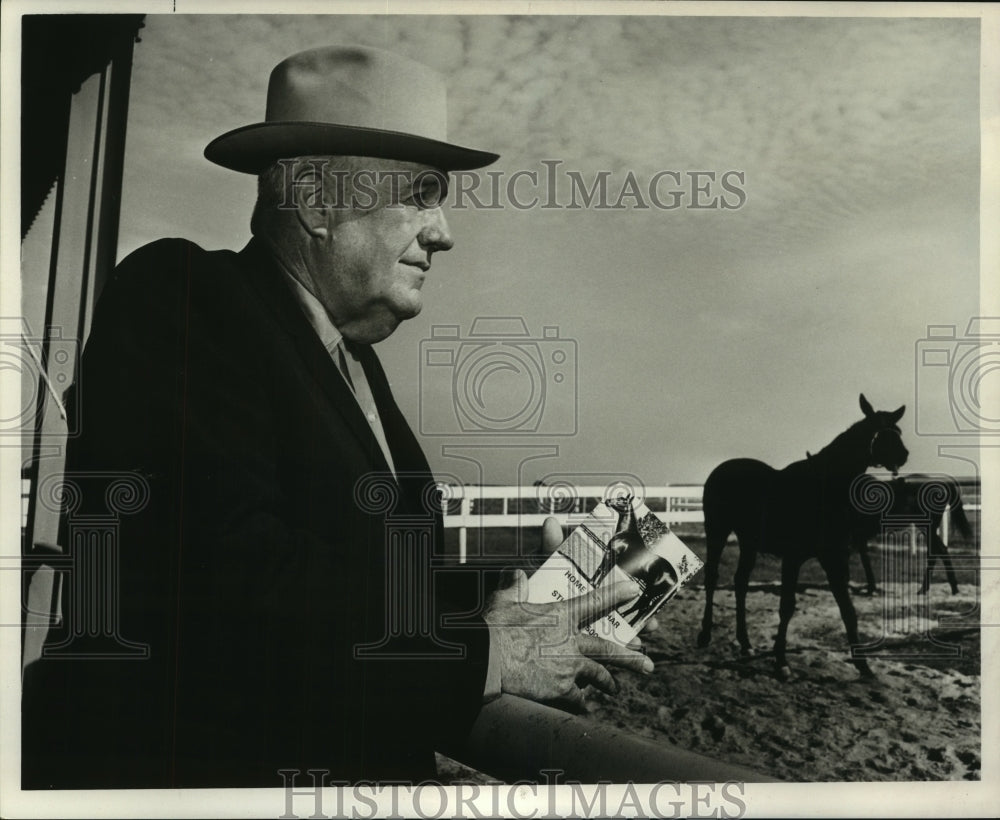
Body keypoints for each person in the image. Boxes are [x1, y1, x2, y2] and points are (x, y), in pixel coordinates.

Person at [21, 45, 652, 788]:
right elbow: (221, 577)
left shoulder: (353, 364)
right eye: (421, 195)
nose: (444, 232)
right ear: (318, 202)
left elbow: (358, 569)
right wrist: (487, 655)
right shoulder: (184, 295)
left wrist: (506, 594)